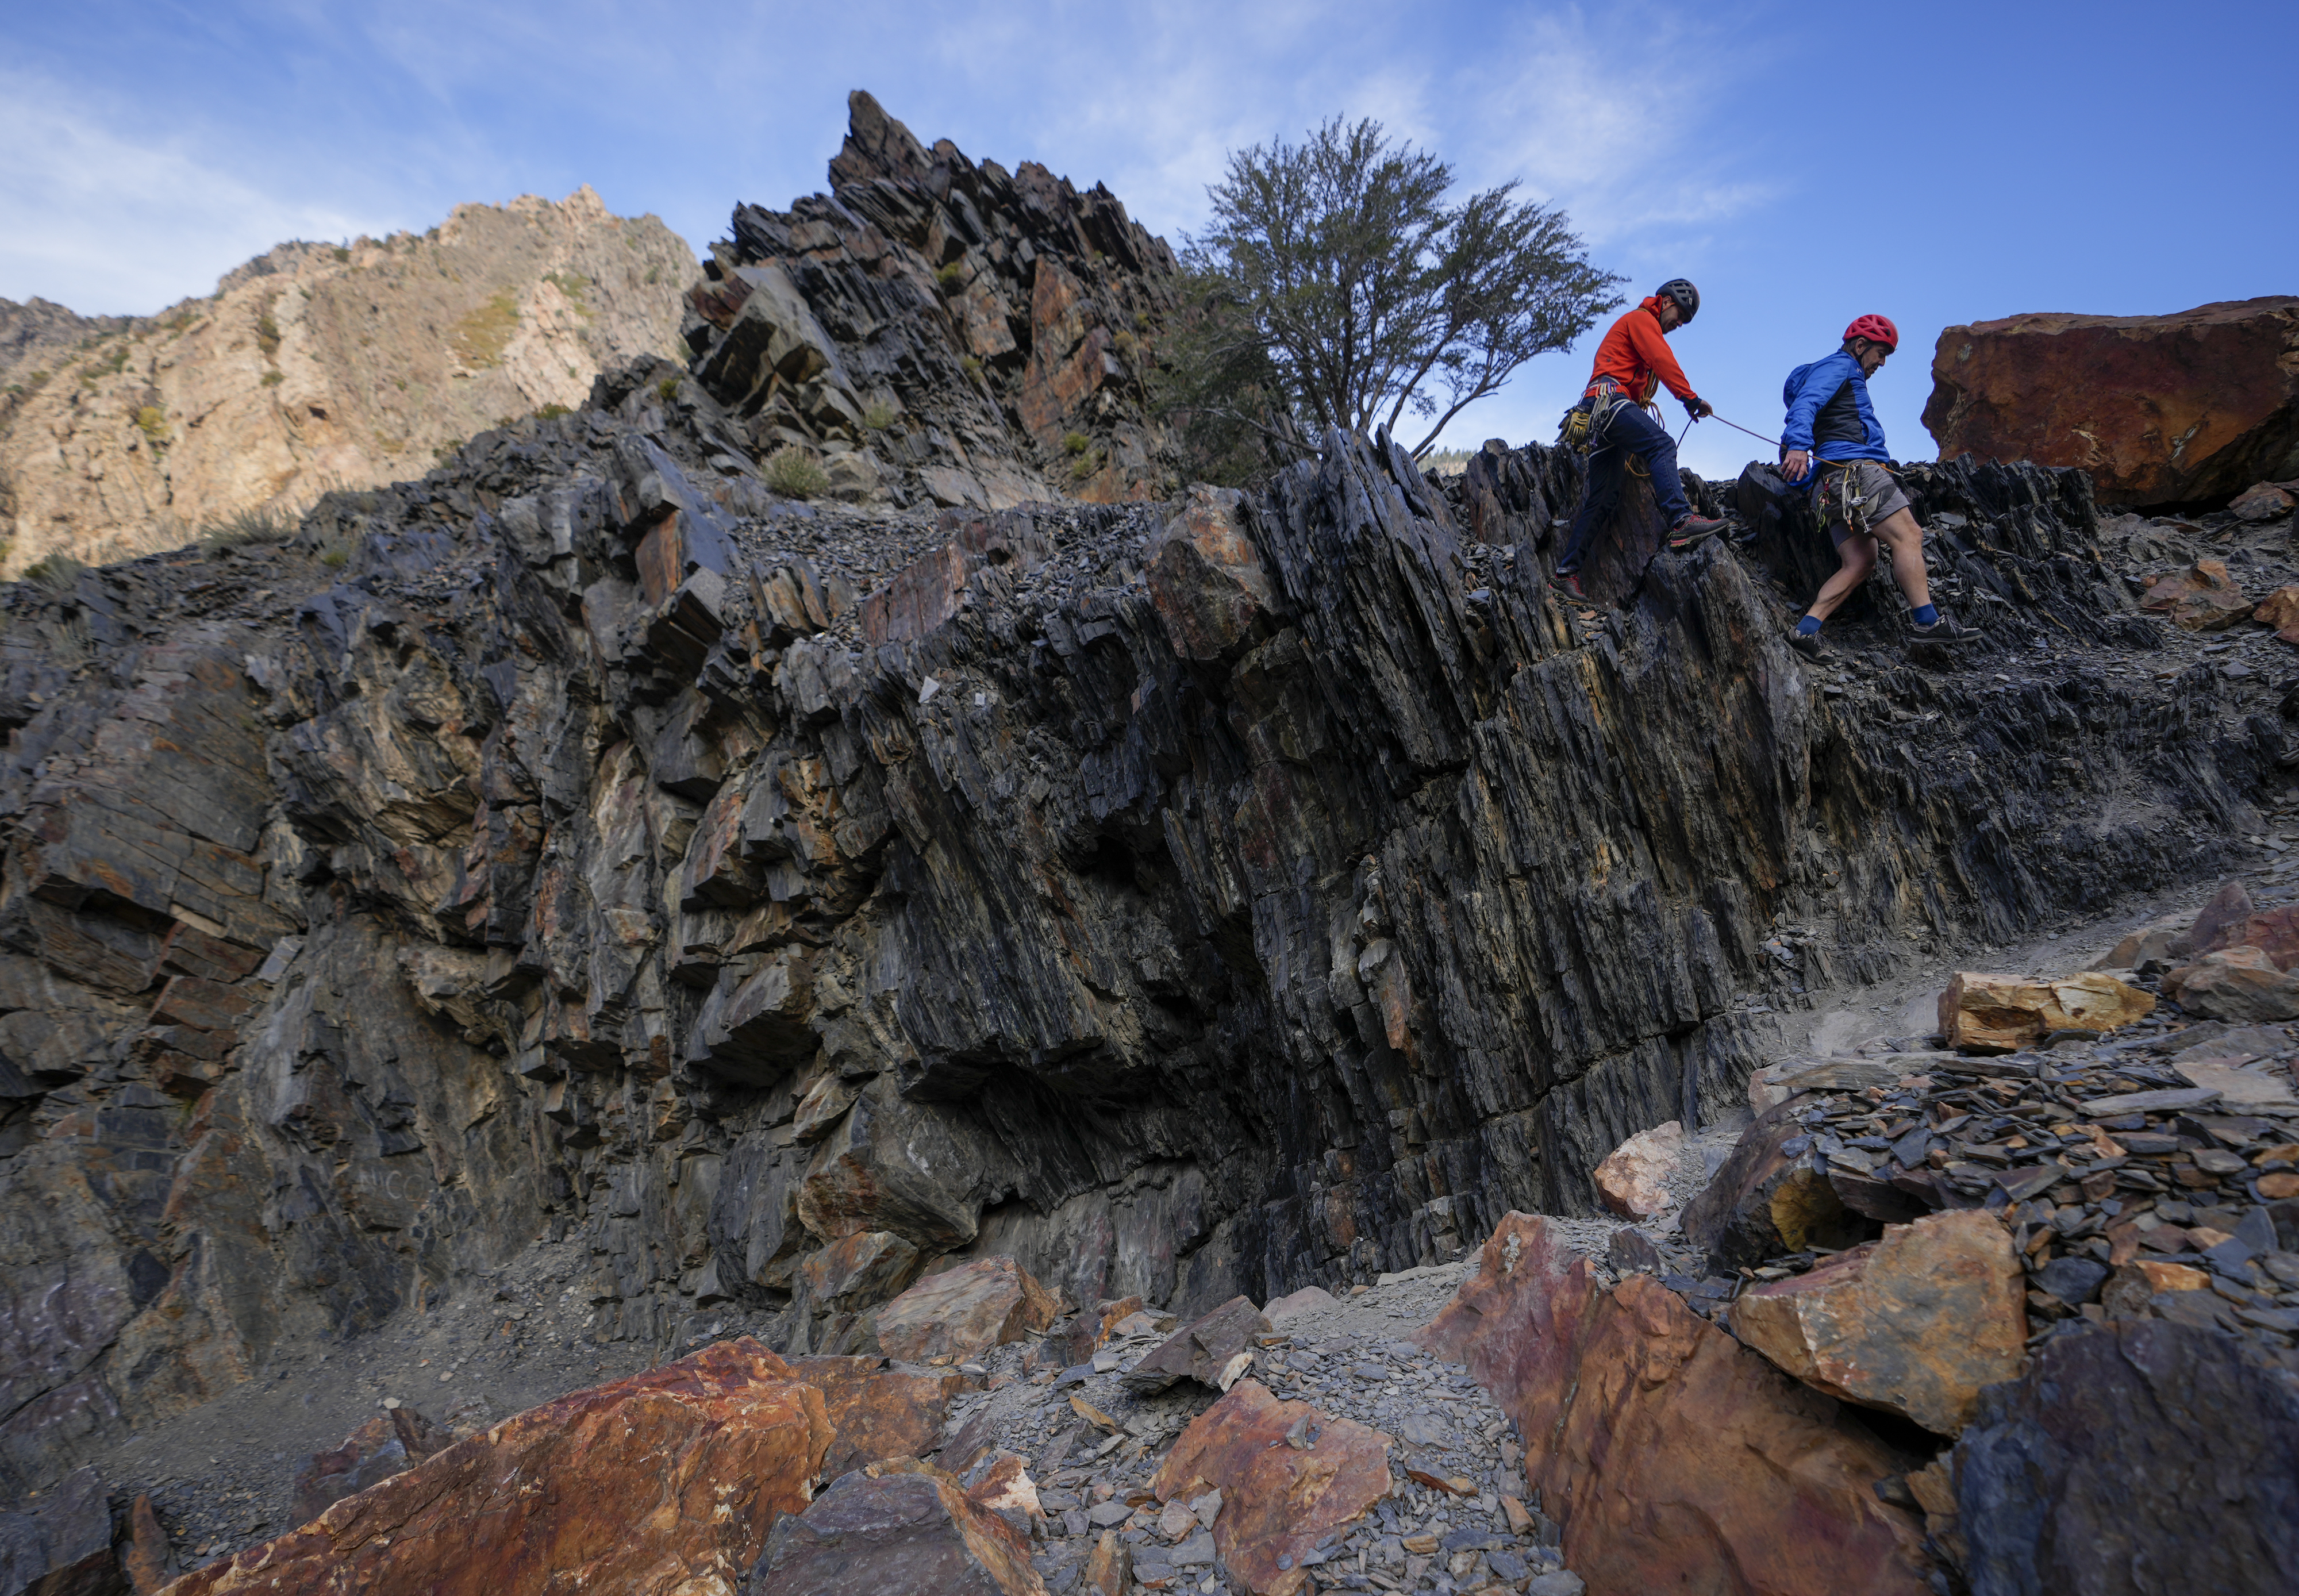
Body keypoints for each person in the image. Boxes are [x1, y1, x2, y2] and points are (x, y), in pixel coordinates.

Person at [1780, 314, 1974, 657]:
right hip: (1856, 472)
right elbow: (1807, 401)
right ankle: (1927, 622)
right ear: (1860, 346)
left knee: (1860, 562)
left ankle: (1805, 631)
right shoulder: (1841, 366)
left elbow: (1805, 406)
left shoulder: (1835, 374)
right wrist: (1797, 445)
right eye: (1880, 353)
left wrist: (1795, 447)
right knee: (1909, 535)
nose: (1881, 363)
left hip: (1829, 489)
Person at [1552, 279, 1730, 598]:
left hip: (1597, 410)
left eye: (1685, 321)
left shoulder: (1636, 324)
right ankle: (1681, 519)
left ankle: (1566, 573)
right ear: (1665, 301)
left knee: (1604, 498)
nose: (1679, 324)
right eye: (1680, 314)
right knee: (1662, 444)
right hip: (1611, 402)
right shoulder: (1642, 319)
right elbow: (1662, 360)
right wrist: (1689, 399)